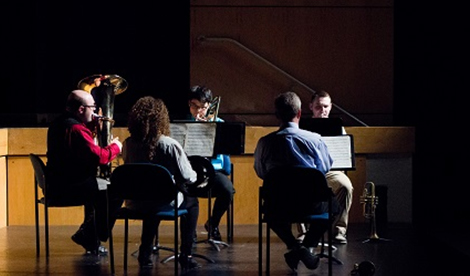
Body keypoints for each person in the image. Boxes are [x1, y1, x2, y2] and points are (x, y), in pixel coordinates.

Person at [254, 91, 333, 271]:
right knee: (332, 207)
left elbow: (261, 172)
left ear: (277, 115)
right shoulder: (315, 139)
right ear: (299, 113)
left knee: (271, 214)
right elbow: (324, 169)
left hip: (279, 205)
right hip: (310, 204)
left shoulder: (264, 143)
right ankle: (306, 247)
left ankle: (294, 246)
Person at [122, 96, 201, 269]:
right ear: (162, 119)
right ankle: (186, 254)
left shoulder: (127, 144)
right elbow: (189, 177)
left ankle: (145, 252)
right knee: (192, 202)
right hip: (164, 202)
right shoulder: (169, 144)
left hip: (135, 202)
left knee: (151, 201)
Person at [46, 89, 123, 255]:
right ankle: (90, 234)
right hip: (70, 187)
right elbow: (100, 157)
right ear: (81, 110)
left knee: (100, 188)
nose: (95, 112)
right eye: (92, 108)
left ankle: (90, 235)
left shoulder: (59, 123)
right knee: (116, 191)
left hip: (57, 182)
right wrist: (116, 146)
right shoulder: (77, 130)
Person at [186, 85, 235, 242]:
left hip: (213, 171)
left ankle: (213, 224)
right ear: (189, 105)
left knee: (228, 190)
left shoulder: (219, 124)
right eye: (195, 106)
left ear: (209, 106)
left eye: (203, 107)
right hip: (191, 171)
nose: (199, 111)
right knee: (185, 191)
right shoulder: (184, 124)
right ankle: (189, 231)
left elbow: (224, 158)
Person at [309, 90, 354, 244]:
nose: (322, 111)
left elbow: (344, 154)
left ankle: (338, 230)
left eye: (326, 107)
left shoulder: (338, 128)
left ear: (331, 107)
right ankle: (303, 233)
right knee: (296, 184)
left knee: (346, 186)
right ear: (311, 107)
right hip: (309, 171)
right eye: (318, 107)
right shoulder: (303, 127)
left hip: (331, 171)